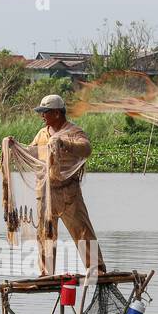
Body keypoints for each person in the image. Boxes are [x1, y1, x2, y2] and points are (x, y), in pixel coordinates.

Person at [28, 93, 106, 276]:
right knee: (45, 233)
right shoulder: (42, 134)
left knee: (82, 231)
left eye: (45, 112)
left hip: (68, 192)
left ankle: (96, 269)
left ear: (56, 113)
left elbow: (86, 148)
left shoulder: (73, 132)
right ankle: (46, 272)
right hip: (45, 192)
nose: (42, 116)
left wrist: (63, 142)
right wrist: (14, 146)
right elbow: (33, 152)